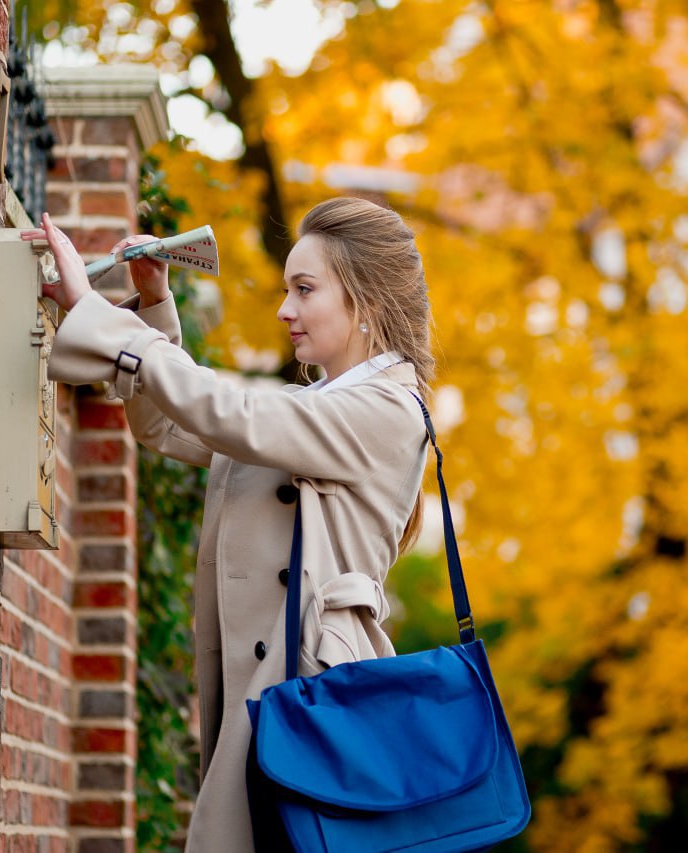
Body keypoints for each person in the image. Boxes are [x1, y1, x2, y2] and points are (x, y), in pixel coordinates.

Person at [23, 197, 435, 849]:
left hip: (313, 703)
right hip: (269, 697)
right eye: (285, 289)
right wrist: (153, 305)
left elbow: (232, 413)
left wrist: (95, 313)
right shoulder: (313, 405)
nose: (284, 310)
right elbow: (169, 422)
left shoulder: (389, 409)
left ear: (366, 299)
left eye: (304, 289)